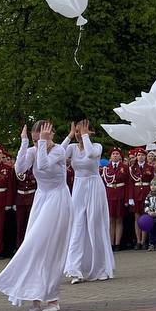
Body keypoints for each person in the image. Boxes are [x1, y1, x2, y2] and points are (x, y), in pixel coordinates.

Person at [0, 121, 74, 311]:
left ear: (51, 134)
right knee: (33, 246)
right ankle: (34, 296)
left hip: (58, 199)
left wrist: (43, 142)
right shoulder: (34, 150)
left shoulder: (59, 151)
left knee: (49, 248)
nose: (38, 141)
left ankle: (53, 299)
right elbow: (19, 169)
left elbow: (43, 165)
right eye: (35, 138)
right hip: (41, 199)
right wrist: (24, 142)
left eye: (41, 137)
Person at [65, 121, 113, 283]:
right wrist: (70, 135)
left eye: (83, 131)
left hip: (94, 186)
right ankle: (74, 269)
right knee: (77, 225)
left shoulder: (97, 146)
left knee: (95, 224)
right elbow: (59, 154)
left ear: (90, 133)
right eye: (77, 131)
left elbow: (91, 154)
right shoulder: (72, 148)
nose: (79, 134)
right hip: (79, 187)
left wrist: (85, 135)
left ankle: (101, 268)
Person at [127, 147, 154, 250]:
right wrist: (130, 197)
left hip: (146, 192)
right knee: (137, 217)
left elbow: (152, 181)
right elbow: (130, 184)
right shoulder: (132, 168)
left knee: (145, 217)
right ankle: (138, 241)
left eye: (142, 155)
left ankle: (144, 240)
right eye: (138, 155)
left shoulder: (149, 167)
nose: (140, 157)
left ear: (145, 156)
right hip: (136, 193)